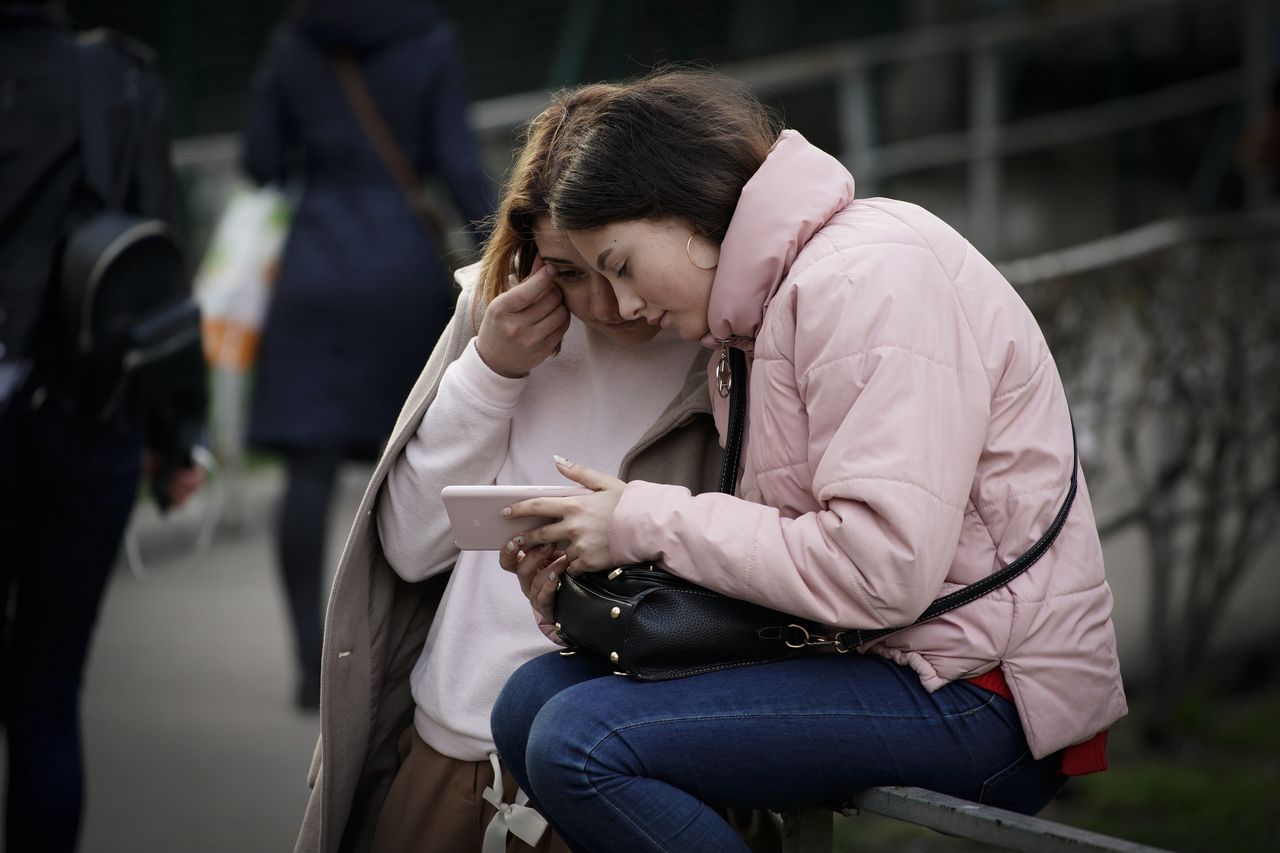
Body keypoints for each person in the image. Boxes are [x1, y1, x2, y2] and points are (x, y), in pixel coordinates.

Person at [490, 68, 1129, 852]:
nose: (621, 308)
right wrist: (590, 589)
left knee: (579, 742)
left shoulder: (867, 278)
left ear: (691, 207)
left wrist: (645, 519)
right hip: (880, 657)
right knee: (528, 702)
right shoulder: (752, 318)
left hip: (986, 691)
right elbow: (788, 556)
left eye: (621, 264)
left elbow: (880, 568)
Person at [292, 86, 780, 853]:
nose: (606, 302)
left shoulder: (727, 344)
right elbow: (411, 546)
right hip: (452, 750)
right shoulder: (500, 314)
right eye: (567, 269)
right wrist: (490, 371)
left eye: (615, 263)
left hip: (627, 769)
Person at [240, 0, 495, 710]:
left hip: (314, 270)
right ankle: (408, 657)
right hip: (403, 275)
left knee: (307, 471)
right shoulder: (429, 36)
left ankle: (307, 666)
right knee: (421, 461)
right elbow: (456, 162)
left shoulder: (295, 40)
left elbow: (261, 160)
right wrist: (506, 261)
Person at [0, 3, 203, 851]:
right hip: (87, 413)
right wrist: (178, 432)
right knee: (47, 694)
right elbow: (157, 267)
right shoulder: (114, 75)